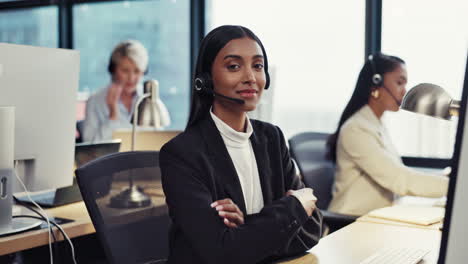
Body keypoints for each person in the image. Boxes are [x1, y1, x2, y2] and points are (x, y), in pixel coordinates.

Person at [159, 25, 322, 264]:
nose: (250, 78)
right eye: (234, 66)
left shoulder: (272, 139)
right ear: (205, 80)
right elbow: (221, 252)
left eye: (258, 66)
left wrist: (247, 226)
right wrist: (291, 209)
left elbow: (312, 228)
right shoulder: (182, 154)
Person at [326, 53, 449, 216]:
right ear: (376, 83)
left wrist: (443, 178)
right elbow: (398, 179)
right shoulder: (356, 129)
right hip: (348, 223)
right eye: (399, 82)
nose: (404, 91)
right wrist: (454, 185)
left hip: (375, 217)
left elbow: (397, 172)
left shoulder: (376, 124)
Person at [82, 40, 170, 142]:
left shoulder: (150, 101)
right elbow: (90, 149)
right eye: (125, 70)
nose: (131, 78)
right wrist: (112, 115)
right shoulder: (95, 101)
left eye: (137, 71)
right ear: (113, 70)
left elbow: (158, 141)